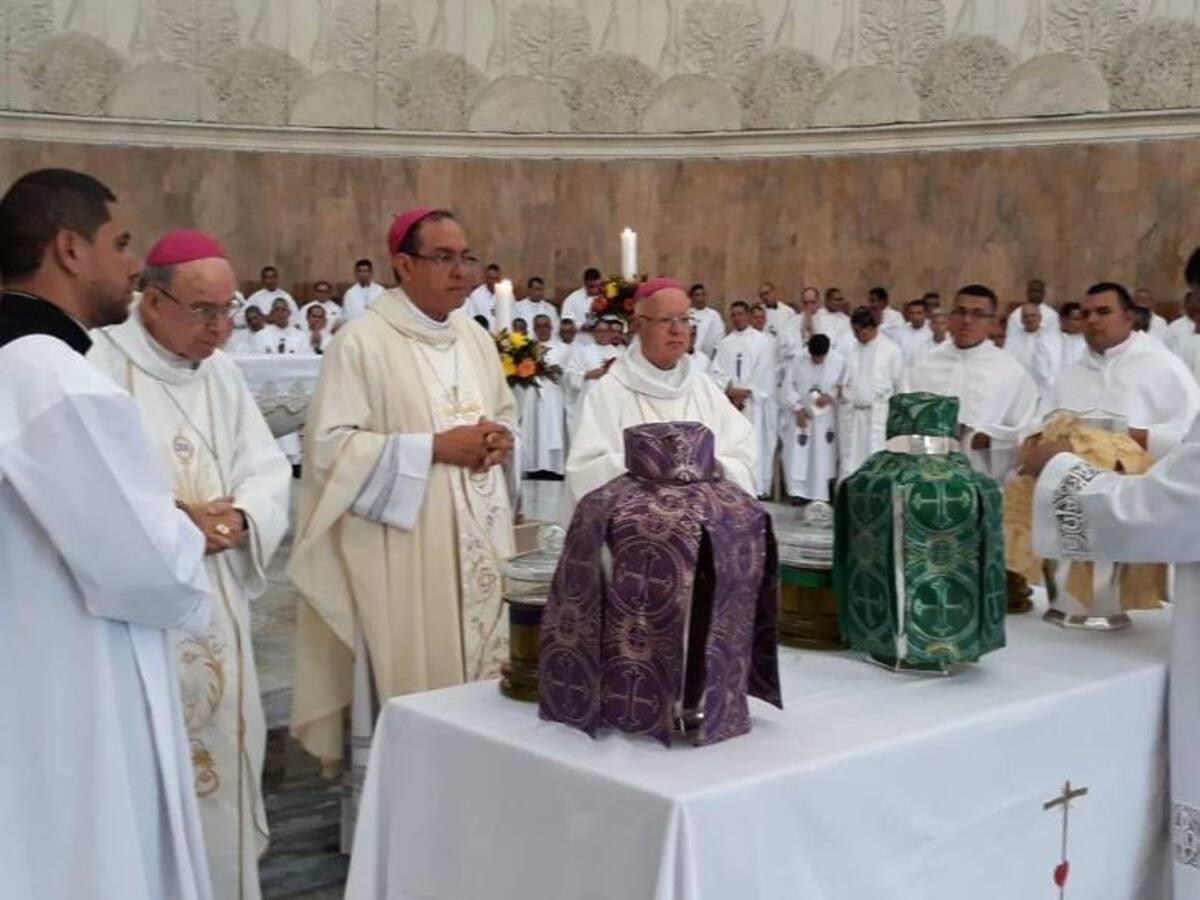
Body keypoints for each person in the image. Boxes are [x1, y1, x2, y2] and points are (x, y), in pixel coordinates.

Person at [0, 168, 213, 900]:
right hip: (72, 681)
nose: (132, 264)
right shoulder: (55, 380)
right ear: (68, 248)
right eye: (120, 243)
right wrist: (188, 532)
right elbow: (147, 570)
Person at [289, 207, 518, 845]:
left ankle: (485, 811)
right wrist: (433, 448)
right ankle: (411, 833)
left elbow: (502, 411)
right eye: (444, 257)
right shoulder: (362, 341)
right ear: (404, 265)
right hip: (404, 551)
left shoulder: (473, 337)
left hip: (479, 540)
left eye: (466, 257)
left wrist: (500, 440)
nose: (461, 271)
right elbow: (332, 448)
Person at [89, 229, 291, 900]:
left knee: (222, 770)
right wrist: (177, 520)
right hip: (137, 615)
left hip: (219, 601)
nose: (223, 328)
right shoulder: (95, 363)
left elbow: (264, 466)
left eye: (228, 309)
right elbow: (89, 489)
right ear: (152, 301)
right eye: (204, 311)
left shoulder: (223, 374)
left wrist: (239, 519)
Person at [1019, 269, 1200, 900]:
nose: (1194, 326)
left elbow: (1157, 509)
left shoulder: (1161, 367)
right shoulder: (1072, 369)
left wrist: (1062, 467)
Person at [563, 276, 756, 515]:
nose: (677, 330)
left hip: (702, 531)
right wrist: (652, 464)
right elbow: (584, 470)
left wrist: (709, 466)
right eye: (665, 320)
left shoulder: (703, 388)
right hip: (635, 534)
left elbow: (743, 453)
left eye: (684, 320)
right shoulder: (609, 392)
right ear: (638, 324)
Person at [1041, 281, 1200, 458]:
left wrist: (1121, 435)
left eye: (1103, 312)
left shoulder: (1164, 367)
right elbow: (1038, 427)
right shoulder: (1070, 374)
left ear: (1129, 318)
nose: (1092, 320)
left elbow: (1190, 442)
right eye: (1085, 314)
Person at [903, 284, 1039, 480]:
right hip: (929, 480)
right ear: (951, 317)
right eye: (961, 312)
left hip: (984, 480)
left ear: (991, 322)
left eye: (977, 314)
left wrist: (988, 440)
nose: (967, 320)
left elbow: (1025, 430)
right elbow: (906, 420)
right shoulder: (923, 366)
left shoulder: (1011, 373)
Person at [713, 301, 775, 497]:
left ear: (748, 315)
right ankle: (733, 485)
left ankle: (754, 487)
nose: (737, 318)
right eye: (733, 315)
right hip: (731, 403)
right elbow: (716, 372)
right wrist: (729, 390)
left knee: (753, 445)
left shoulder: (762, 341)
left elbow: (764, 372)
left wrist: (746, 392)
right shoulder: (725, 343)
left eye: (740, 313)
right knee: (733, 444)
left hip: (751, 404)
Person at [836, 305, 905, 478]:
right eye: (854, 331)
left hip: (878, 415)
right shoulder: (853, 350)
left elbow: (901, 386)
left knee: (876, 460)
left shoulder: (891, 351)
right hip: (853, 416)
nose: (855, 335)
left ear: (870, 328)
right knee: (851, 462)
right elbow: (845, 379)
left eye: (858, 331)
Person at [779, 333, 843, 503]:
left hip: (824, 417)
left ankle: (819, 494)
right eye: (814, 357)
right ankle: (798, 493)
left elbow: (841, 387)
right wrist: (798, 408)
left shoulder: (838, 361)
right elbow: (788, 385)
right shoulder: (799, 359)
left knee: (821, 454)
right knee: (798, 452)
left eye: (820, 357)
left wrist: (829, 396)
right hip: (800, 415)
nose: (817, 360)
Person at [518, 314, 570, 478]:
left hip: (554, 394)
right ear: (533, 329)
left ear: (551, 327)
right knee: (534, 430)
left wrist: (558, 372)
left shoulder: (563, 348)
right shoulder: (526, 348)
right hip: (532, 394)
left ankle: (554, 467)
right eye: (538, 326)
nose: (542, 329)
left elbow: (570, 372)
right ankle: (533, 466)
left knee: (552, 430)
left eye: (545, 326)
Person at [563, 317, 623, 437]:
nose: (603, 334)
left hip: (612, 403)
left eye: (606, 331)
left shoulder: (619, 354)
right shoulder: (583, 351)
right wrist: (587, 375)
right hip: (589, 402)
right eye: (599, 331)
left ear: (611, 334)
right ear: (593, 333)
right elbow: (569, 374)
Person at [1005, 300, 1062, 396]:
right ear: (1021, 320)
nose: (1030, 319)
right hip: (1020, 391)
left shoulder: (1051, 339)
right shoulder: (1013, 340)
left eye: (1033, 315)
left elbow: (1055, 365)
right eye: (1026, 316)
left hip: (1046, 391)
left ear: (1040, 318)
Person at [1005, 278, 1059, 342]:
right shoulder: (1015, 315)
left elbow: (1053, 338)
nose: (1036, 294)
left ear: (1043, 293)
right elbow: (1011, 337)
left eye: (1038, 291)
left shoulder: (1052, 315)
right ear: (1027, 292)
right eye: (1033, 291)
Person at [560, 266, 603, 345]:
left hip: (603, 341)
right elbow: (566, 321)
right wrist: (581, 326)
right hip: (580, 341)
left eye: (597, 286)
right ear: (585, 283)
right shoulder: (572, 299)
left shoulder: (607, 296)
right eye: (591, 287)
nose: (594, 290)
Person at [689, 282, 725, 357]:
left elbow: (719, 337)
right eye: (697, 295)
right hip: (689, 356)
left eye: (703, 294)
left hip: (708, 357)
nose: (701, 298)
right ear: (692, 297)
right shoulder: (686, 314)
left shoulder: (713, 315)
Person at [894, 298, 933, 363]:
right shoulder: (901, 332)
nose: (915, 316)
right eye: (912, 313)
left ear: (926, 313)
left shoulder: (933, 330)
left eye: (919, 313)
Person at [466, 262, 502, 329]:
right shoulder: (476, 296)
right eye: (490, 278)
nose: (493, 281)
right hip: (483, 333)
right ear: (485, 278)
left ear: (499, 279)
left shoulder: (506, 294)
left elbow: (512, 315)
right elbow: (472, 318)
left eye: (496, 278)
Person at [1057, 300, 1087, 371]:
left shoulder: (1088, 343)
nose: (1080, 322)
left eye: (1082, 319)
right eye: (1076, 319)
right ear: (1064, 320)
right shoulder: (1053, 342)